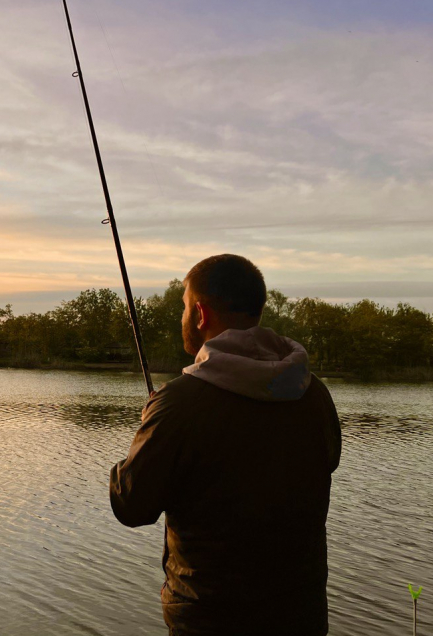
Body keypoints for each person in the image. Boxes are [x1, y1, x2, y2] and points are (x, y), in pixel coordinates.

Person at [109, 254, 341, 636]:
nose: (183, 317)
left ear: (200, 314)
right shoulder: (314, 393)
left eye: (184, 308)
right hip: (301, 617)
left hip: (210, 620)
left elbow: (131, 505)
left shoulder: (178, 403)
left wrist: (147, 432)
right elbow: (326, 462)